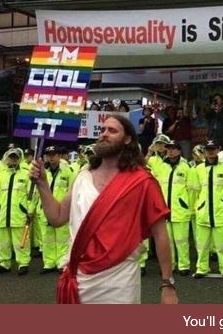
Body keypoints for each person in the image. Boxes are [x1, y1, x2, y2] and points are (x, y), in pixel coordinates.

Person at [29, 115, 178, 304]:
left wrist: (168, 285)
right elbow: (57, 217)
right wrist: (42, 183)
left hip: (120, 280)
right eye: (103, 130)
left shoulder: (142, 181)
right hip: (80, 279)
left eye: (112, 131)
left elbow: (160, 235)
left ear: (127, 139)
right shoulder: (83, 175)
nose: (104, 134)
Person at [191, 139, 223, 279]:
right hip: (203, 212)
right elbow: (195, 191)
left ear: (218, 149)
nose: (210, 151)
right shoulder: (197, 169)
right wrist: (197, 207)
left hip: (220, 211)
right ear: (204, 151)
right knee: (202, 244)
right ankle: (202, 268)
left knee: (222, 243)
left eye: (213, 148)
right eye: (208, 149)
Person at [152, 140, 195, 276]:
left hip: (180, 209)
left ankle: (184, 266)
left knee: (181, 240)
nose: (170, 151)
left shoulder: (186, 167)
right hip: (164, 210)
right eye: (169, 148)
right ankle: (169, 266)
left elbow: (192, 190)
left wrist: (189, 207)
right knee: (167, 241)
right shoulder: (161, 166)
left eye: (174, 148)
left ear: (179, 151)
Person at [0, 148, 33, 276]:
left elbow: (31, 194)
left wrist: (30, 210)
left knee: (21, 240)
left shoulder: (26, 174)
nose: (13, 159)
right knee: (3, 241)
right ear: (7, 158)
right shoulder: (0, 176)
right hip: (3, 214)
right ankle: (5, 263)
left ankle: (23, 263)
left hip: (19, 214)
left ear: (19, 158)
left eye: (15, 157)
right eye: (11, 157)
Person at [38, 146, 75, 274]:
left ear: (59, 156)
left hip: (61, 209)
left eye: (54, 155)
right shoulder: (44, 171)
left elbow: (72, 191)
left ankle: (61, 263)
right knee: (47, 238)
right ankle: (49, 263)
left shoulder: (68, 171)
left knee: (62, 238)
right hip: (45, 209)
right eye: (49, 155)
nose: (51, 157)